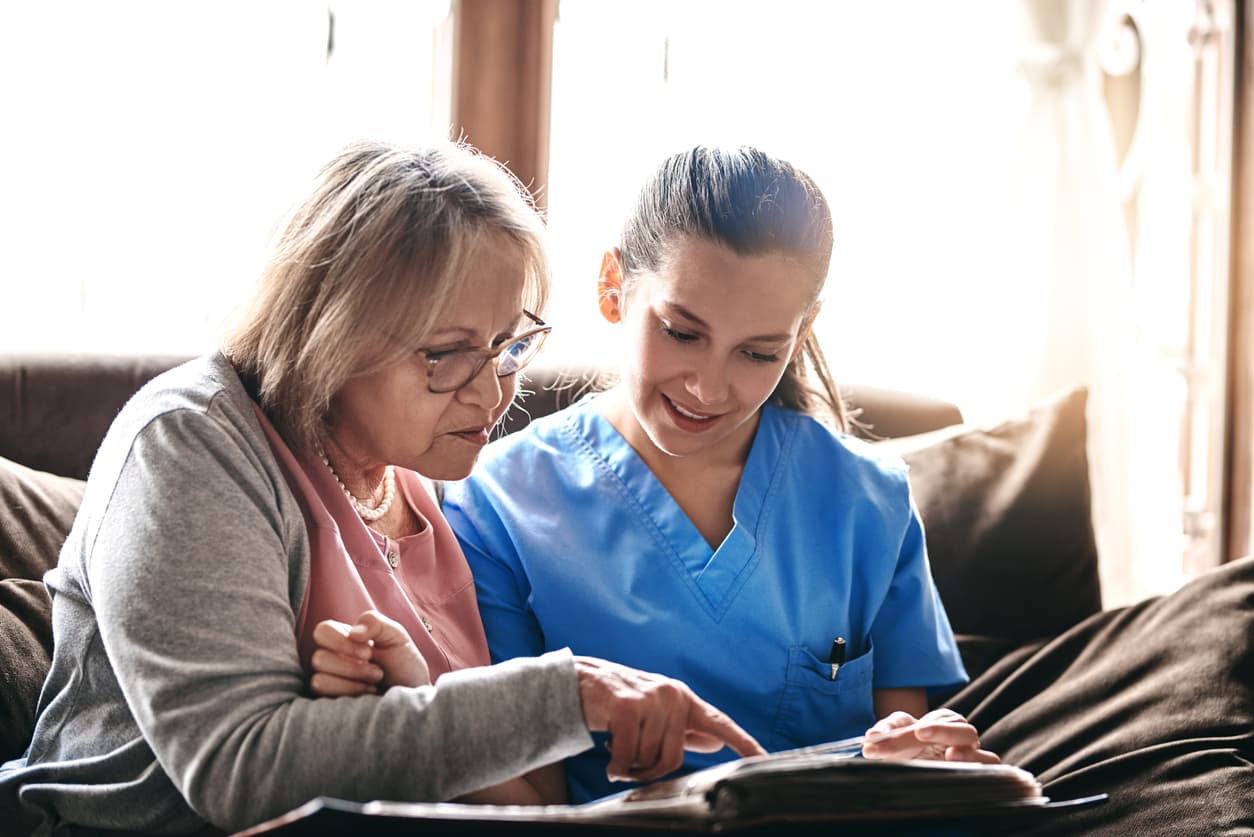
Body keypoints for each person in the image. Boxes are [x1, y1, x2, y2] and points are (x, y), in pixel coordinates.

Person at [0, 140, 763, 836]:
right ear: (329, 332)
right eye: (448, 354)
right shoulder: (189, 441)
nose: (493, 392)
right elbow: (240, 770)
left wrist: (418, 695)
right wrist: (569, 694)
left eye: (508, 345)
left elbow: (481, 782)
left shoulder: (416, 480)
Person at [441, 146, 999, 803]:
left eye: (758, 352)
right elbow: (525, 803)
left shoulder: (869, 502)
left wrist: (931, 761)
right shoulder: (495, 507)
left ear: (802, 330)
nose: (708, 387)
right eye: (682, 332)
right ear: (612, 288)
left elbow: (903, 741)